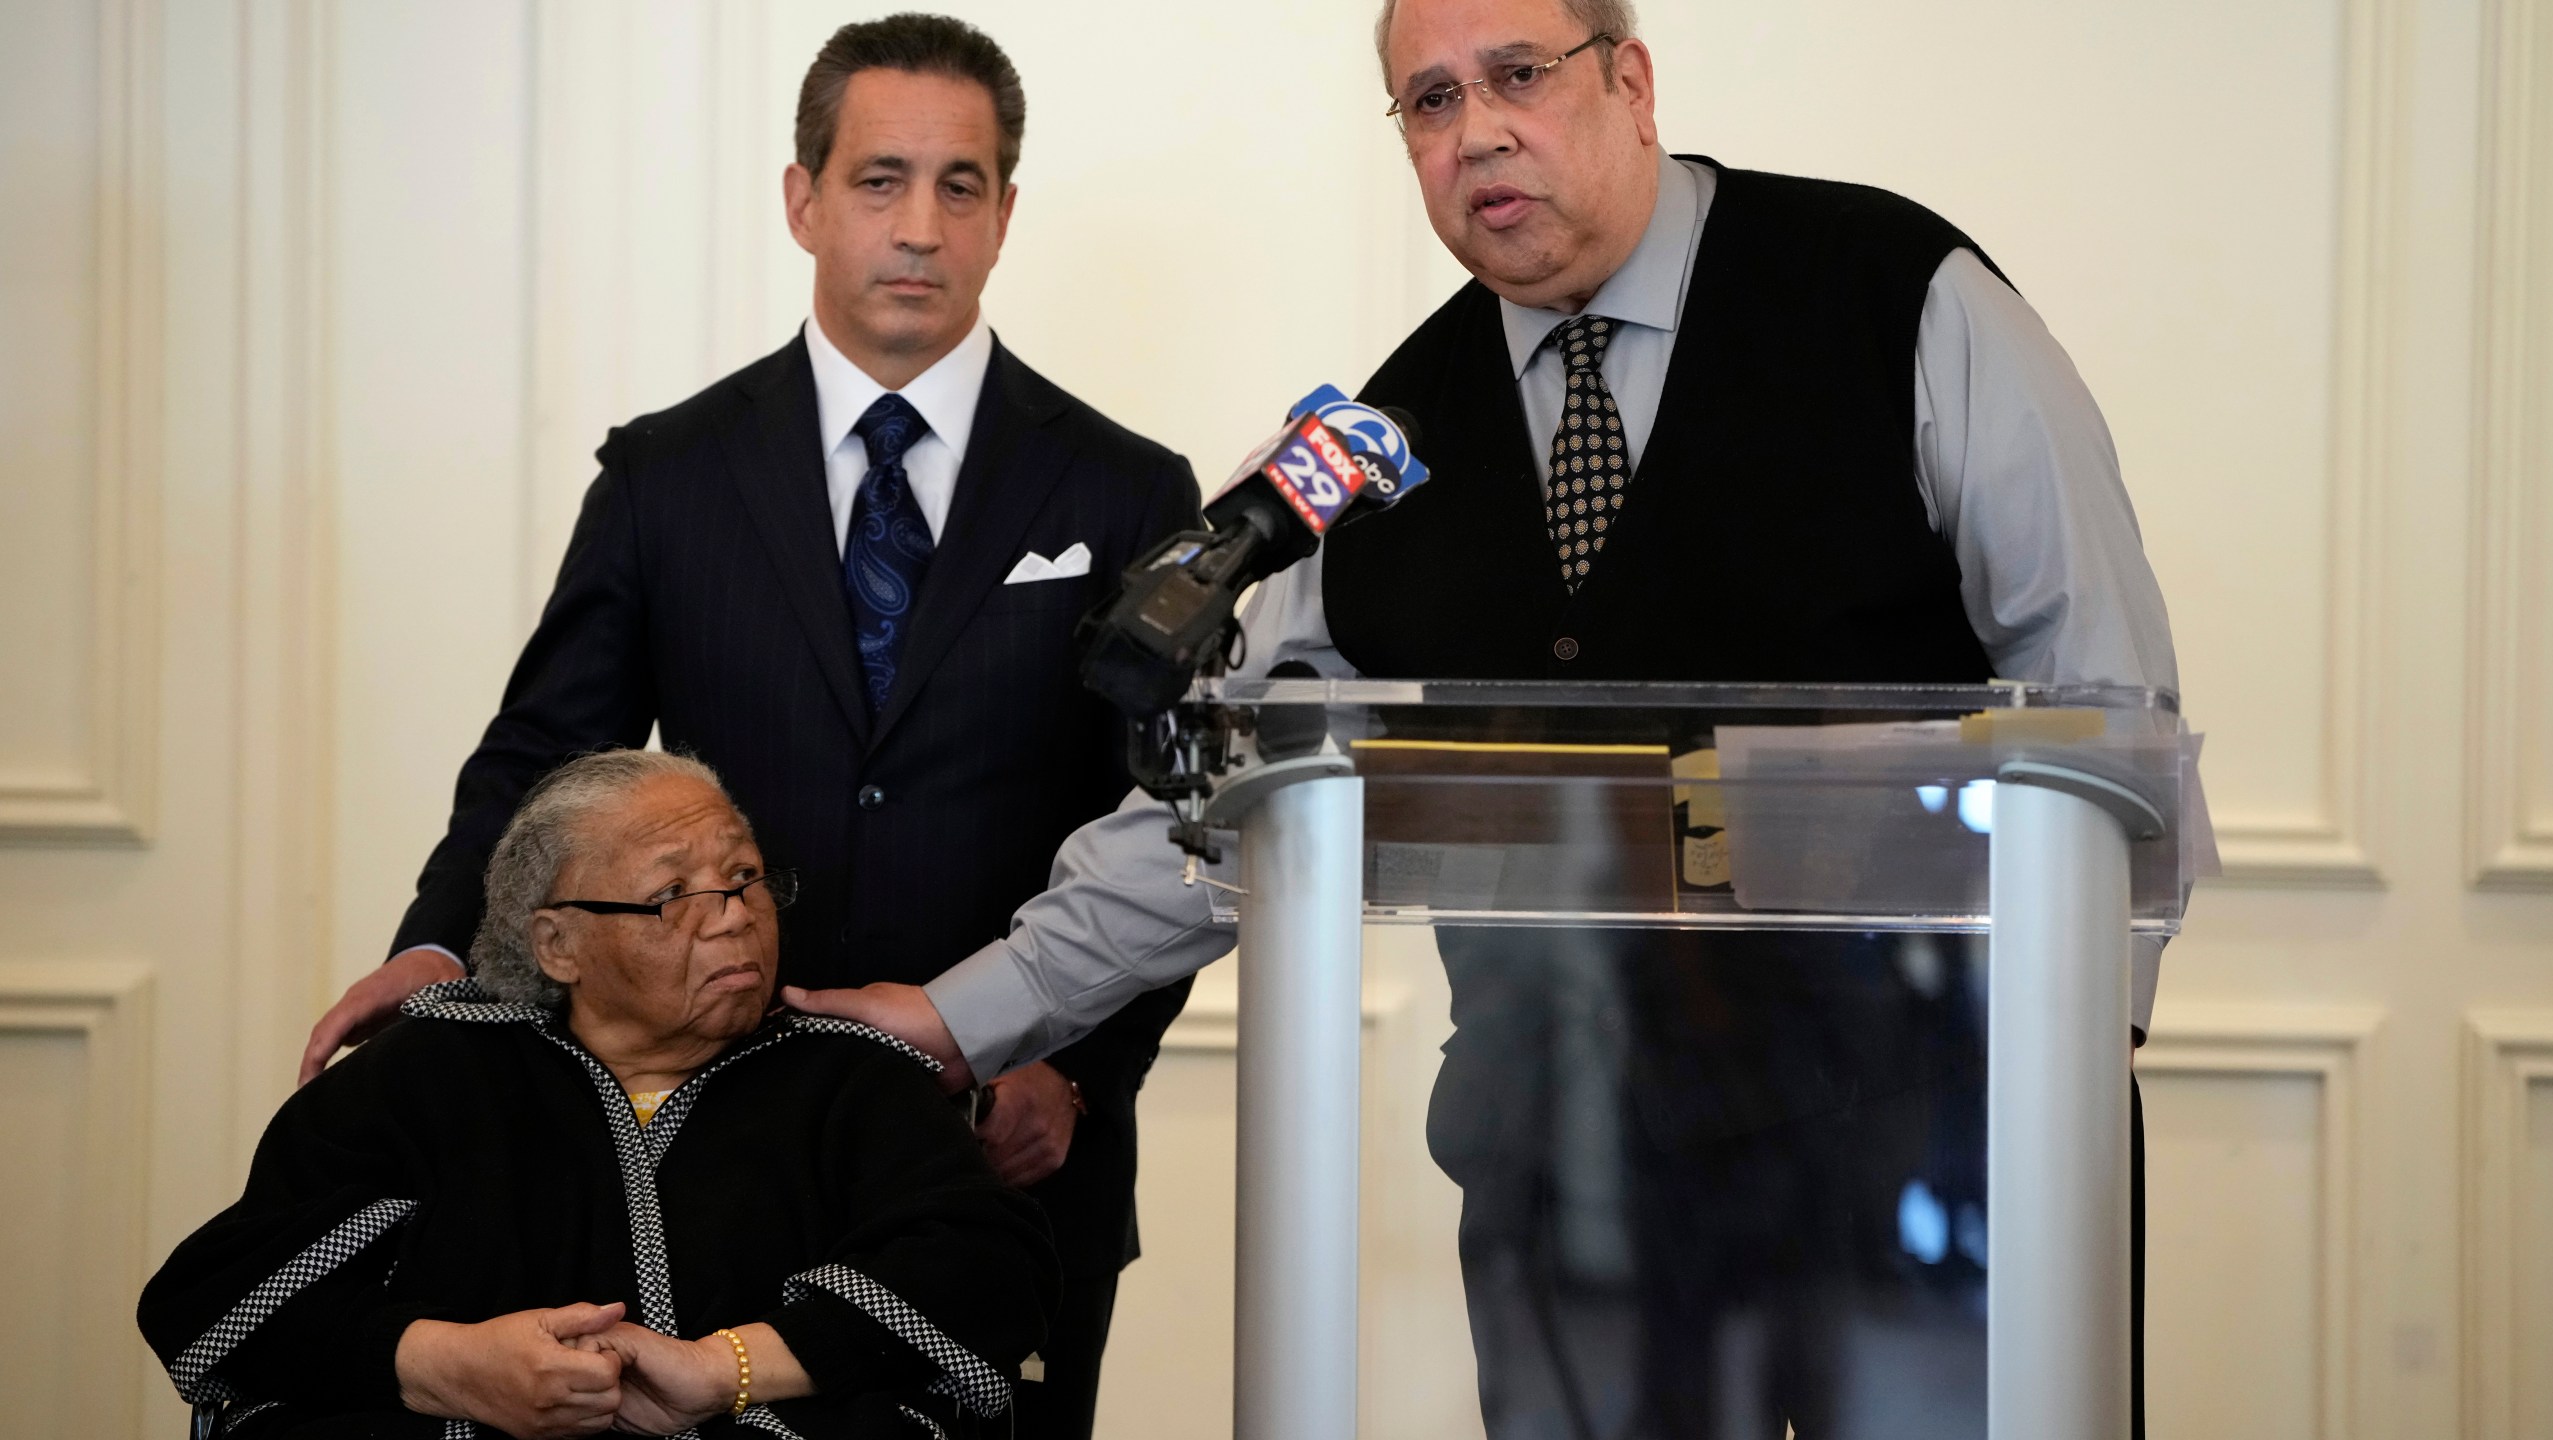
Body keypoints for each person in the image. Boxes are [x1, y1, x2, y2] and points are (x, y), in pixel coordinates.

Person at [814, 0, 2188, 1435]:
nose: (1477, 131)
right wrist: (958, 1019)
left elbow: (2097, 690)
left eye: (1517, 76)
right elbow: (1225, 801)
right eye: (1429, 102)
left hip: (1938, 1151)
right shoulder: (1376, 444)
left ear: (1633, 79)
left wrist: (2080, 1060)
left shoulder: (1902, 293)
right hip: (1578, 1183)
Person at [295, 17, 1196, 1436]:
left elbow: (1173, 823)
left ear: (1007, 215)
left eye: (961, 186)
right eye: (880, 179)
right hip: (710, 1135)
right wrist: (434, 945)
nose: (919, 226)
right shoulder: (669, 475)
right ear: (804, 199)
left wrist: (1072, 1061)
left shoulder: (1132, 491)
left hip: (1008, 1159)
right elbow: (542, 759)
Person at [142, 750, 1055, 1439]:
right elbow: (217, 1296)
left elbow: (987, 1272)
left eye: (744, 878)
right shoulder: (429, 1072)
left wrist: (724, 1368)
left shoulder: (849, 1072)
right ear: (558, 945)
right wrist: (448, 1366)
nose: (734, 913)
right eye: (674, 894)